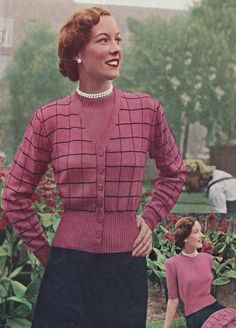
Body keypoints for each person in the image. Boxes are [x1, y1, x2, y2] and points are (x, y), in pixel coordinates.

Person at [2, 7, 186, 328]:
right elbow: (15, 195)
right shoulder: (49, 118)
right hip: (66, 269)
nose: (116, 48)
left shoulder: (146, 111)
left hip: (124, 267)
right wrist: (49, 255)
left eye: (118, 39)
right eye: (104, 40)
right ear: (77, 54)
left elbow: (174, 174)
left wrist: (150, 218)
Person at [164, 216, 225, 328]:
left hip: (215, 307)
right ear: (185, 237)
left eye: (201, 231)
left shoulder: (207, 258)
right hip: (195, 314)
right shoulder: (172, 263)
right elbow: (173, 299)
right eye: (196, 232)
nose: (202, 235)